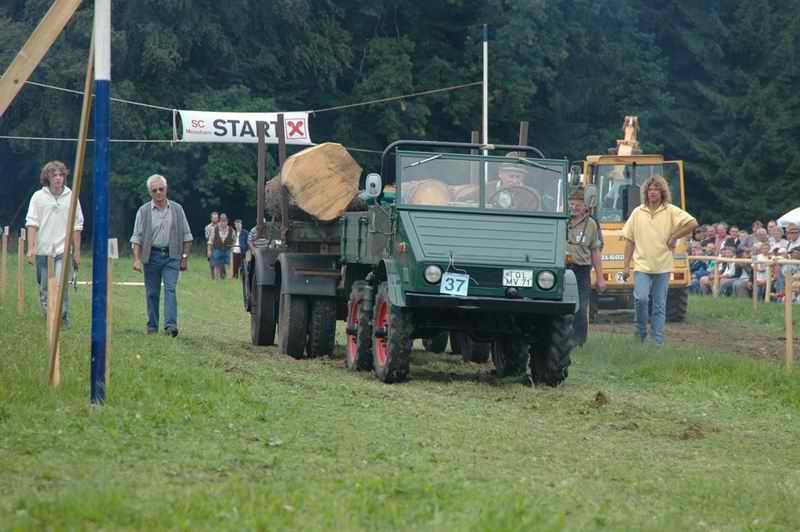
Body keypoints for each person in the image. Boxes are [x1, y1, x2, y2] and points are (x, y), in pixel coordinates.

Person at [622, 176, 697, 345]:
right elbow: (629, 241)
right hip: (642, 265)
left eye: (656, 189)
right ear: (645, 192)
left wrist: (674, 236)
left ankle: (657, 340)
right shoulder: (637, 212)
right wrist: (625, 266)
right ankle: (640, 333)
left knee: (659, 305)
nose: (653, 192)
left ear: (662, 192)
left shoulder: (670, 210)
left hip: (663, 266)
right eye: (650, 189)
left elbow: (692, 223)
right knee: (641, 299)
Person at [130, 174, 193, 336]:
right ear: (150, 192)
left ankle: (170, 326)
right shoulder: (143, 211)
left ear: (166, 189)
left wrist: (184, 258)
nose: (158, 192)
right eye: (154, 190)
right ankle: (152, 326)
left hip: (172, 255)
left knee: (170, 289)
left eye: (161, 189)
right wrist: (136, 259)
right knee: (152, 292)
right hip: (151, 256)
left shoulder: (177, 209)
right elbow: (136, 237)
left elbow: (187, 236)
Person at [24, 161, 84, 326]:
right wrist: (31, 248)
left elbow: (77, 226)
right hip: (43, 250)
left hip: (63, 250)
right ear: (47, 178)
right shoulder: (38, 197)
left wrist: (76, 252)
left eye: (61, 175)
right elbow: (32, 223)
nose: (58, 178)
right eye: (54, 175)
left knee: (60, 284)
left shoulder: (72, 197)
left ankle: (62, 317)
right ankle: (49, 313)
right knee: (45, 286)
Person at [567, 187, 606, 347]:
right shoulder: (562, 220)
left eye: (578, 204)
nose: (574, 207)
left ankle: (579, 342)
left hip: (581, 269)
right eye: (572, 204)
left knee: (581, 307)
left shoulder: (591, 224)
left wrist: (600, 277)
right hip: (563, 269)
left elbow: (595, 251)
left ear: (585, 206)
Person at [207, 213, 235, 280]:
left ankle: (229, 279)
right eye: (222, 221)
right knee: (216, 265)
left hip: (227, 249)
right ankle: (217, 280)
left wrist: (233, 248)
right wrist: (209, 250)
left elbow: (234, 240)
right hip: (217, 249)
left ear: (227, 221)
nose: (223, 223)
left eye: (225, 221)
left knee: (229, 264)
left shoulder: (231, 230)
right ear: (220, 221)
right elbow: (210, 241)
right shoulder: (215, 229)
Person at [204, 211, 219, 279]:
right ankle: (212, 276)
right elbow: (207, 237)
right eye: (214, 218)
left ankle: (217, 277)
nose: (215, 219)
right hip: (211, 246)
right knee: (211, 263)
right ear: (211, 218)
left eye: (216, 218)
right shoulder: (208, 227)